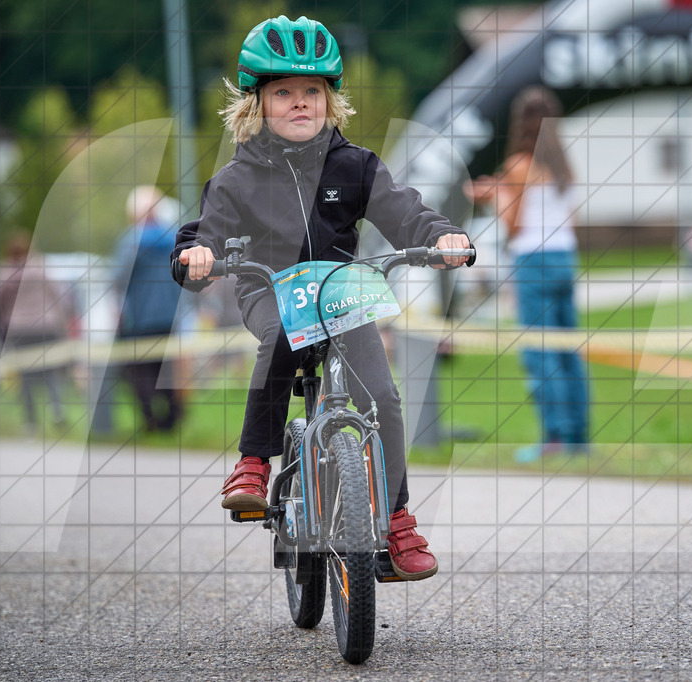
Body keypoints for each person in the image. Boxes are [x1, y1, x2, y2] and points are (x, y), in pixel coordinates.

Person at [171, 15, 472, 581]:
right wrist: (197, 256)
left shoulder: (355, 166)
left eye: (311, 91)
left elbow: (406, 213)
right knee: (282, 333)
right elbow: (203, 232)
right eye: (283, 93)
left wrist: (441, 237)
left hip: (340, 291)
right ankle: (254, 462)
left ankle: (396, 519)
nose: (300, 103)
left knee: (382, 397)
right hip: (269, 288)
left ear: (329, 99)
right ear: (257, 103)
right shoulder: (237, 178)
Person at [467, 86, 589, 462]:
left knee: (539, 351)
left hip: (534, 260)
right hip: (565, 256)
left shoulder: (519, 164)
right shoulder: (564, 165)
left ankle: (554, 435)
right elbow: (569, 218)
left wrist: (495, 196)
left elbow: (514, 224)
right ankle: (577, 437)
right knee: (568, 350)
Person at [0, 233, 73, 432]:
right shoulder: (41, 269)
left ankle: (30, 422)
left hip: (19, 329)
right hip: (46, 326)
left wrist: (0, 325)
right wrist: (63, 326)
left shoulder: (3, 273)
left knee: (25, 375)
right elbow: (57, 297)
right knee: (51, 370)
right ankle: (57, 408)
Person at [115, 186, 184, 432]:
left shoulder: (131, 241)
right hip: (169, 316)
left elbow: (118, 278)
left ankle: (150, 419)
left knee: (139, 370)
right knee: (166, 369)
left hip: (140, 318)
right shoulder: (174, 238)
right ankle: (172, 420)